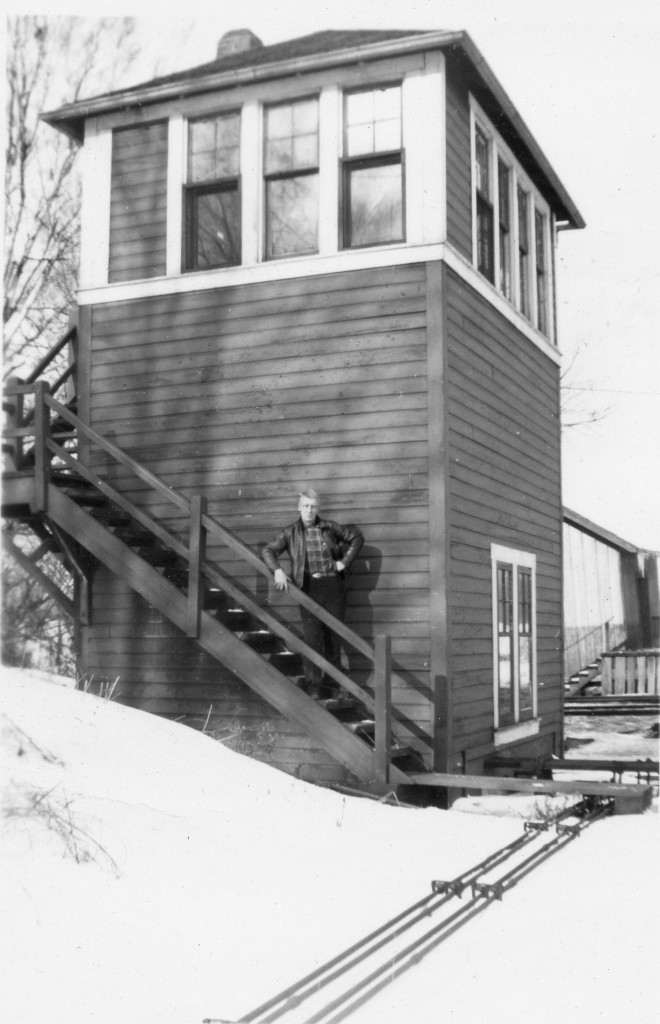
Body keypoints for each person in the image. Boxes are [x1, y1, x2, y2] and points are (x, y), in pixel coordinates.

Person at [262, 489, 364, 699]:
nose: (309, 510)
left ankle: (333, 687)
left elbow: (356, 537)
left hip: (333, 587)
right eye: (306, 506)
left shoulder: (329, 527)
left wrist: (343, 563)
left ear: (318, 508)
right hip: (308, 589)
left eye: (313, 506)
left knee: (333, 638)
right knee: (312, 638)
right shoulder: (290, 532)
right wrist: (277, 570)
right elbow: (268, 550)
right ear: (299, 508)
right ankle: (314, 686)